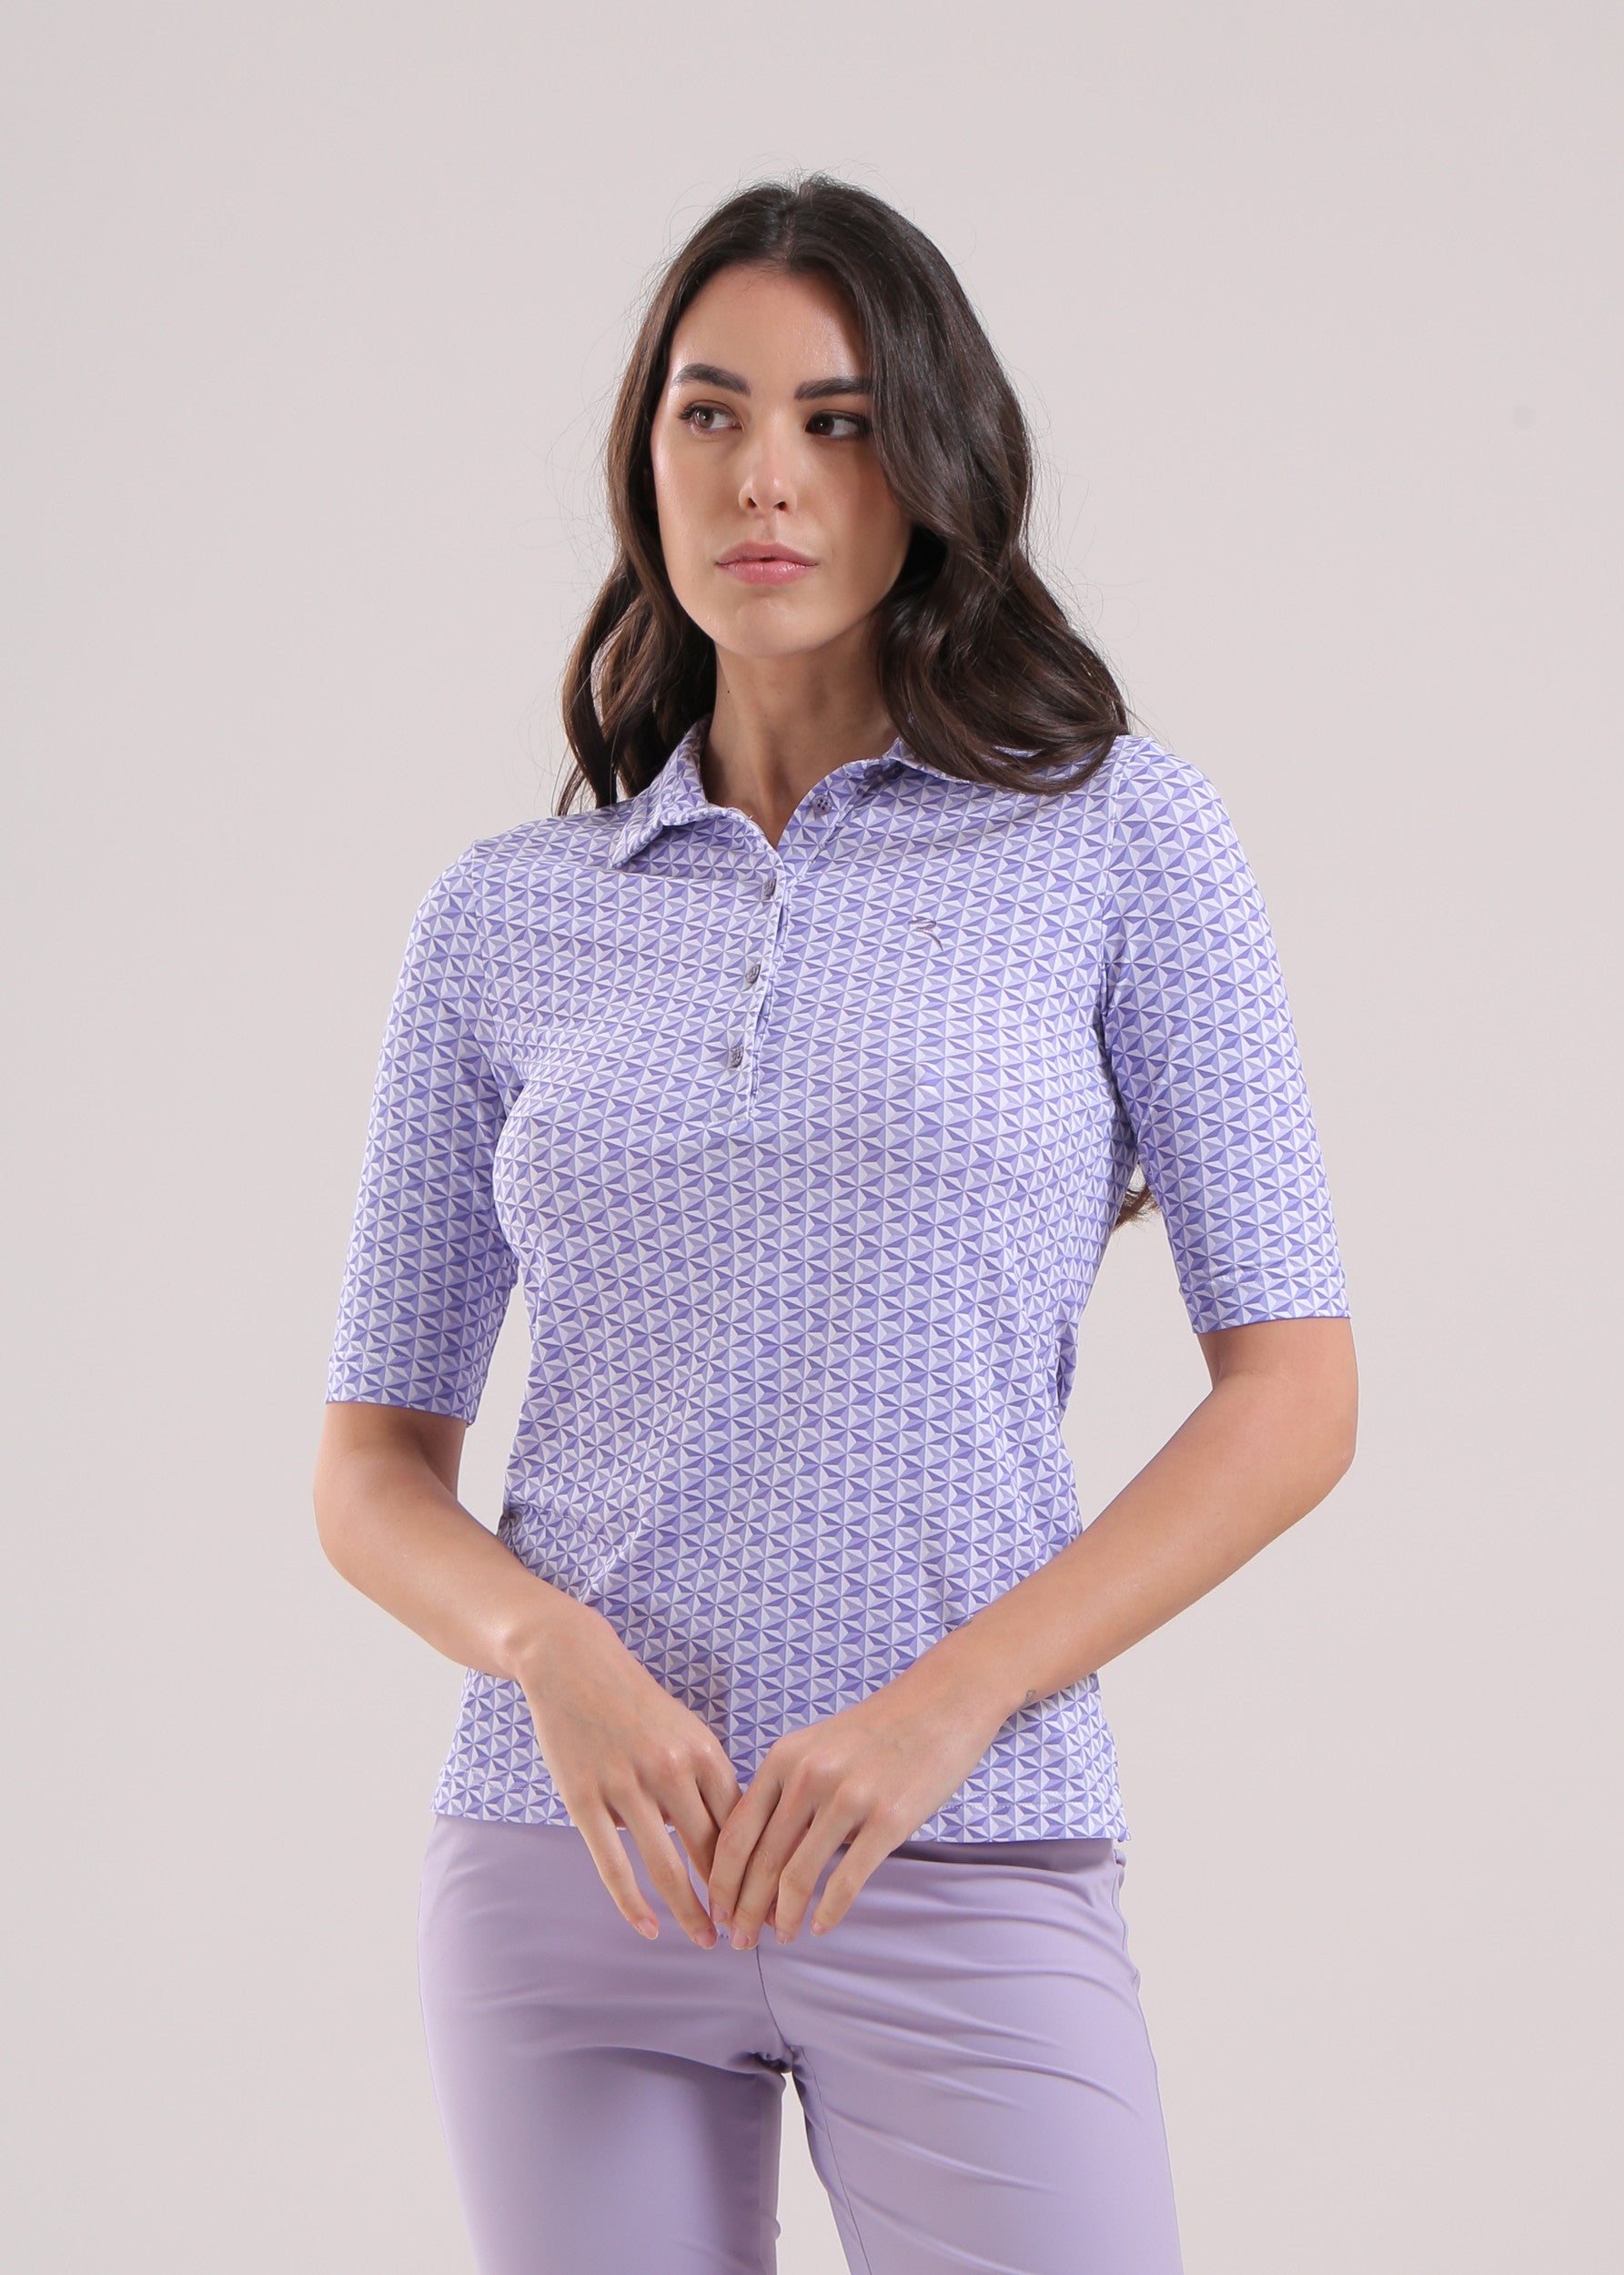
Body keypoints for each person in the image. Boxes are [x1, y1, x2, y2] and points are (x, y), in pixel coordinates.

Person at [312, 173, 1357, 2275]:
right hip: (574, 1868)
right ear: (644, 458)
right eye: (708, 413)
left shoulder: (1118, 836)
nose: (763, 476)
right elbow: (368, 1462)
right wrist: (548, 1652)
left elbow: (1294, 1393)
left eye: (838, 419)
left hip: (962, 1841)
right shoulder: (505, 915)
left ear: (931, 463)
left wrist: (942, 1705)